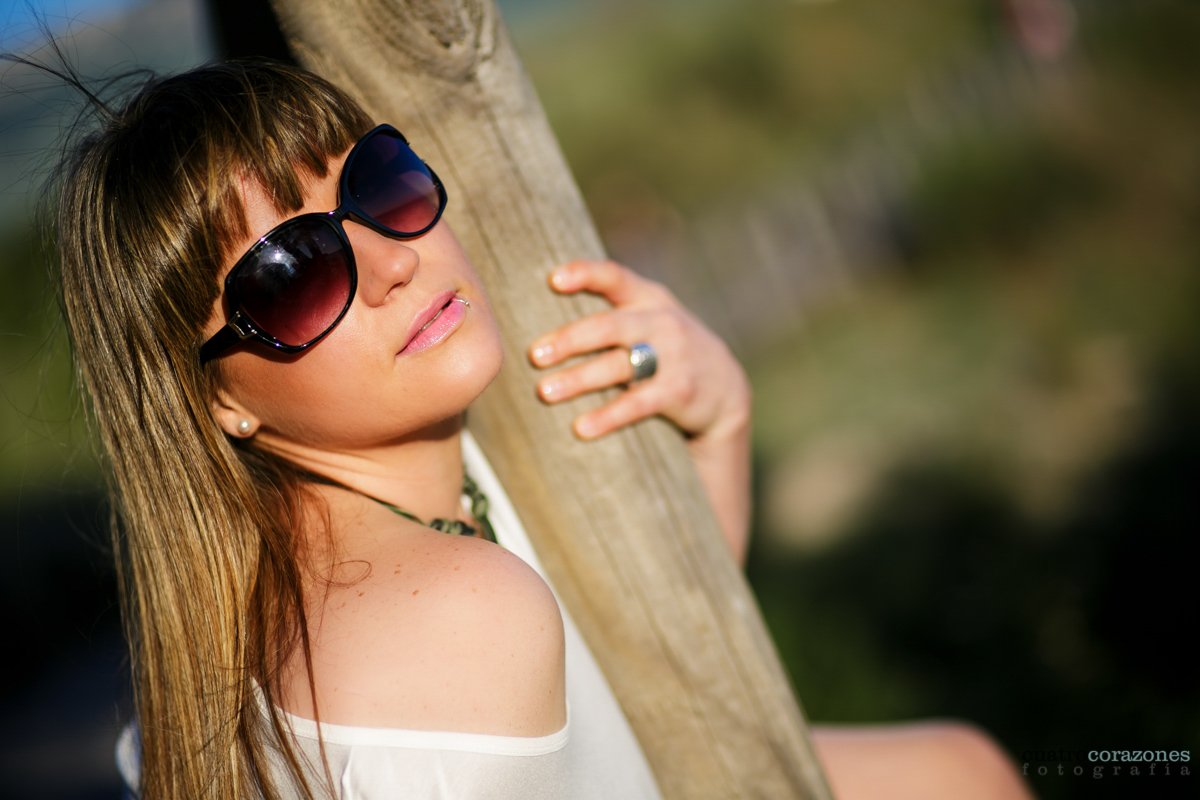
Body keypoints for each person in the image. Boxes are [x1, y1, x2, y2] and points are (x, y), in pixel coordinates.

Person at [44, 58, 1028, 798]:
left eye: (377, 183)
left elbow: (637, 679)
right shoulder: (461, 610)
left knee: (964, 768)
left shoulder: (349, 538)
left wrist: (719, 417)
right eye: (294, 272)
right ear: (219, 399)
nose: (392, 259)